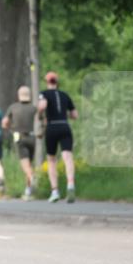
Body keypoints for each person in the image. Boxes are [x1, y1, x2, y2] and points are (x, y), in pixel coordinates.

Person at [38, 72, 78, 203]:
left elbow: (42, 106)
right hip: (65, 126)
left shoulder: (44, 93)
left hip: (52, 126)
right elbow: (74, 115)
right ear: (57, 81)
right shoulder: (65, 95)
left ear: (47, 81)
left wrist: (40, 114)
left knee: (51, 159)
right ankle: (70, 184)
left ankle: (55, 191)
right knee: (67, 156)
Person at [2, 85, 38, 199]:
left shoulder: (13, 107)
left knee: (25, 165)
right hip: (32, 138)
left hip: (20, 139)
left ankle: (32, 179)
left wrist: (10, 128)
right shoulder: (33, 108)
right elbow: (42, 119)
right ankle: (28, 191)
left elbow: (4, 122)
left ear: (19, 95)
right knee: (29, 164)